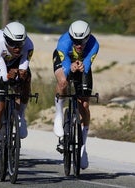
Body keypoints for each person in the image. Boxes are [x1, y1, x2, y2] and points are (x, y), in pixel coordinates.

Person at [0, 21, 34, 173]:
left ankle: (21, 115)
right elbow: (2, 74)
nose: (16, 47)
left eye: (20, 43)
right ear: (6, 40)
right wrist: (7, 76)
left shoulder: (29, 45)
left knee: (26, 78)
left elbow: (24, 65)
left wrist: (20, 73)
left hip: (16, 64)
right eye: (12, 43)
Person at [52, 20, 99, 169]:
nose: (79, 44)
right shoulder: (63, 43)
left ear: (88, 37)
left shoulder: (94, 44)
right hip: (64, 61)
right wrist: (70, 66)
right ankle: (59, 114)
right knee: (63, 82)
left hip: (83, 64)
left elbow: (86, 66)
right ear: (71, 37)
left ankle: (83, 148)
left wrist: (80, 65)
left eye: (83, 41)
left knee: (84, 104)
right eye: (76, 41)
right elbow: (65, 62)